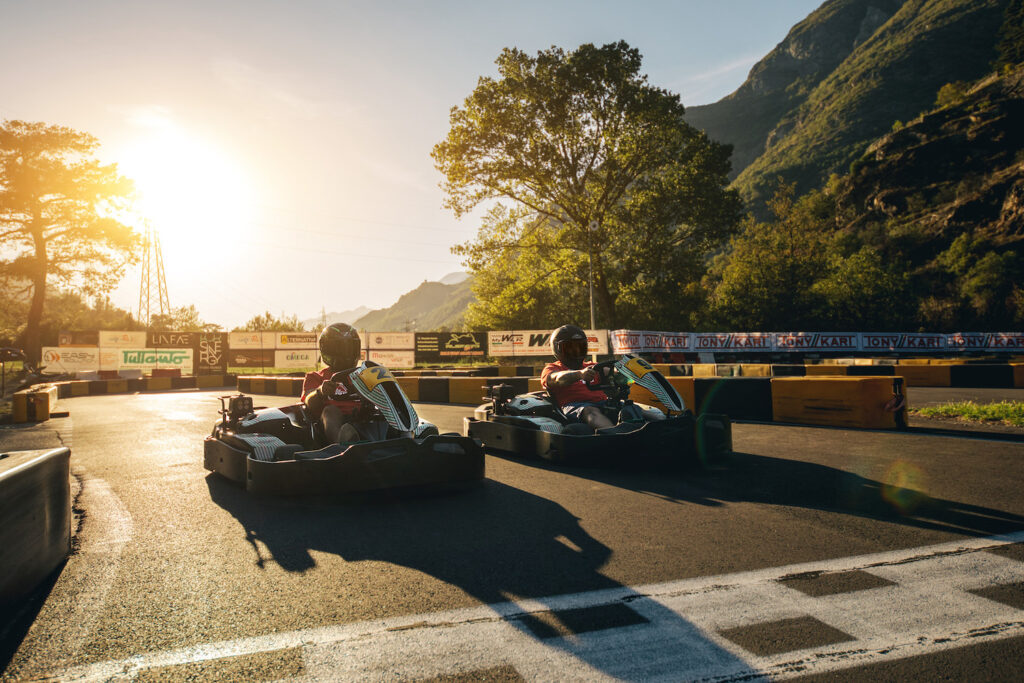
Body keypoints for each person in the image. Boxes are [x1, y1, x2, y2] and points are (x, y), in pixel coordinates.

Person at [540, 324, 626, 433]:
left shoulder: (593, 366)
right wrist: (579, 374)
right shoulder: (553, 368)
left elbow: (611, 371)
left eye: (580, 347)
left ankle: (648, 430)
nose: (576, 351)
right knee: (590, 411)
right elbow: (556, 378)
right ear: (558, 349)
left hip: (603, 403)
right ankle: (616, 436)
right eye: (571, 348)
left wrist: (621, 373)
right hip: (575, 407)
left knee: (629, 407)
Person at [302, 322, 364, 444]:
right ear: (328, 350)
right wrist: (320, 392)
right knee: (330, 411)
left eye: (350, 348)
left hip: (363, 417)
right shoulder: (315, 377)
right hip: (330, 423)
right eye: (341, 349)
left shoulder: (363, 375)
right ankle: (342, 444)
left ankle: (404, 436)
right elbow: (308, 402)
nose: (346, 353)